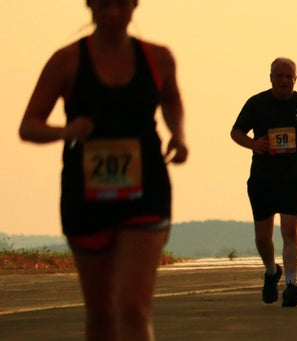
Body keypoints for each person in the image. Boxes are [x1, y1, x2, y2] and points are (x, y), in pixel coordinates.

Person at [18, 0, 187, 338]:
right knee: (101, 312)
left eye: (120, 4)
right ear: (90, 6)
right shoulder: (66, 61)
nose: (112, 13)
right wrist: (65, 132)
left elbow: (171, 99)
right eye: (104, 4)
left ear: (134, 6)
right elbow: (29, 126)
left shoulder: (158, 58)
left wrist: (178, 135)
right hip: (86, 195)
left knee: (133, 306)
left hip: (146, 191)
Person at [231, 57, 297, 308]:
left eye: (289, 76)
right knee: (263, 237)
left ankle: (291, 285)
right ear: (271, 77)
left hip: (294, 176)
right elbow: (236, 132)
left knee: (290, 230)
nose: (284, 80)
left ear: (295, 78)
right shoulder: (257, 103)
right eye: (280, 76)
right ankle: (271, 270)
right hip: (263, 177)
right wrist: (253, 144)